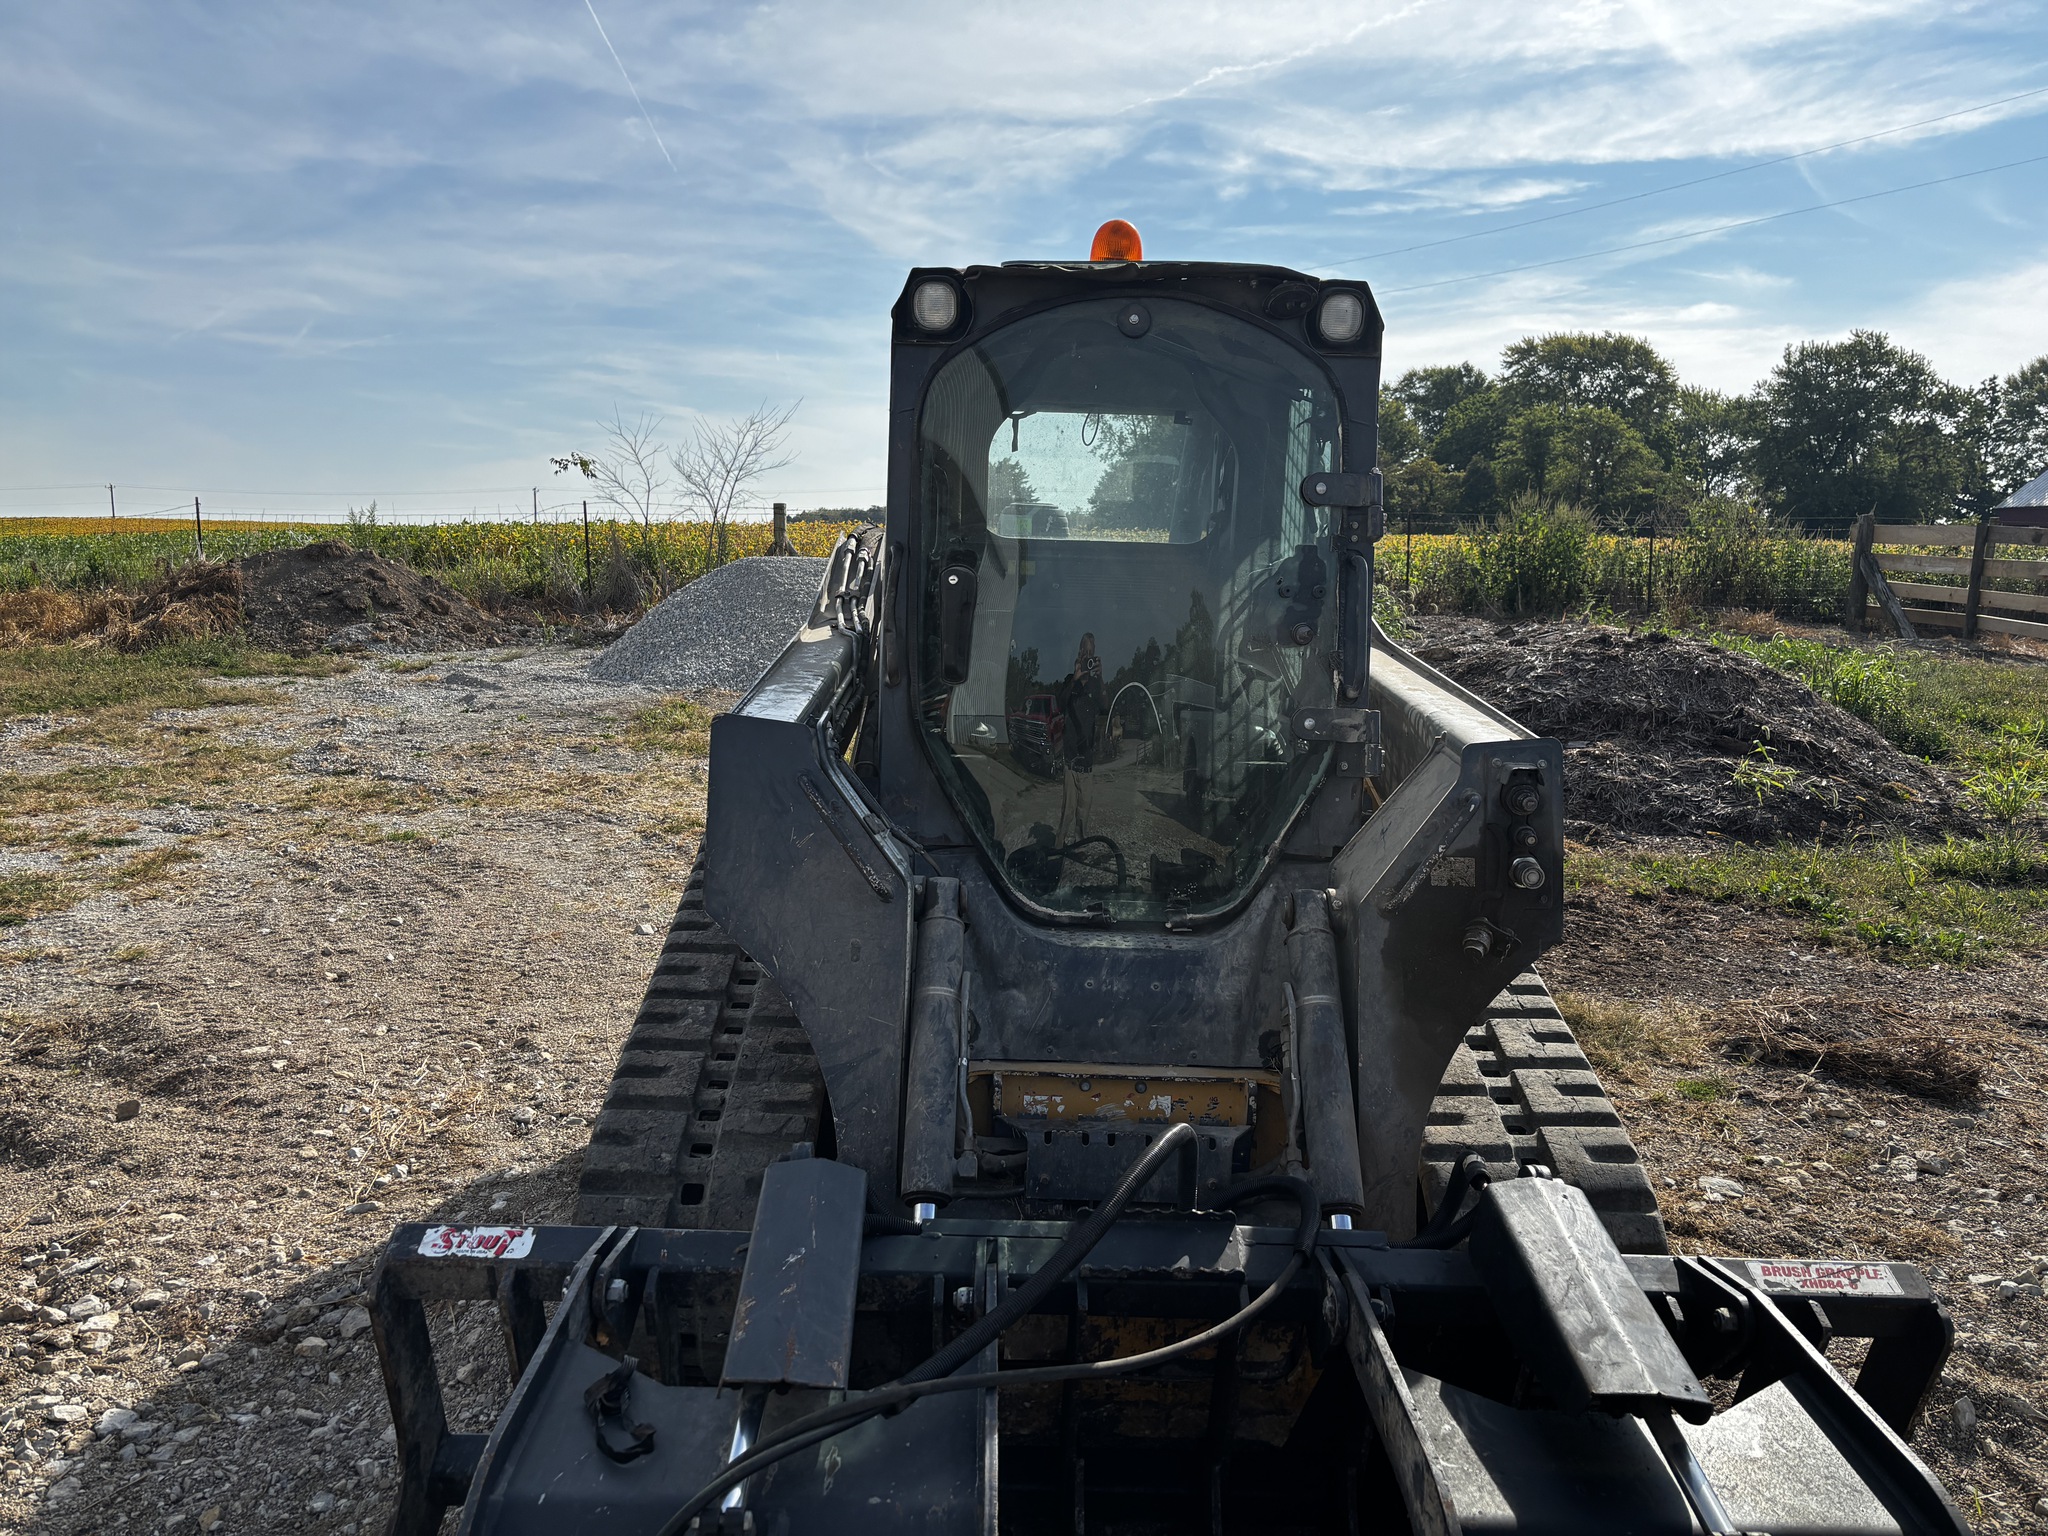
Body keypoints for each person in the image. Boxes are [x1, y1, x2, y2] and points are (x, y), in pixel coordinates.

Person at [1055, 632, 1105, 842]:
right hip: (1071, 756)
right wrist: (1075, 679)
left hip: (1087, 757)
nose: (1087, 659)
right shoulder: (1069, 681)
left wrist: (1100, 677)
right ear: (1078, 655)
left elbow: (1104, 707)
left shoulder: (1095, 684)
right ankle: (1058, 845)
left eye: (1091, 655)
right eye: (1085, 653)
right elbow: (1059, 705)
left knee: (1084, 809)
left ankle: (1079, 844)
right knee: (1068, 810)